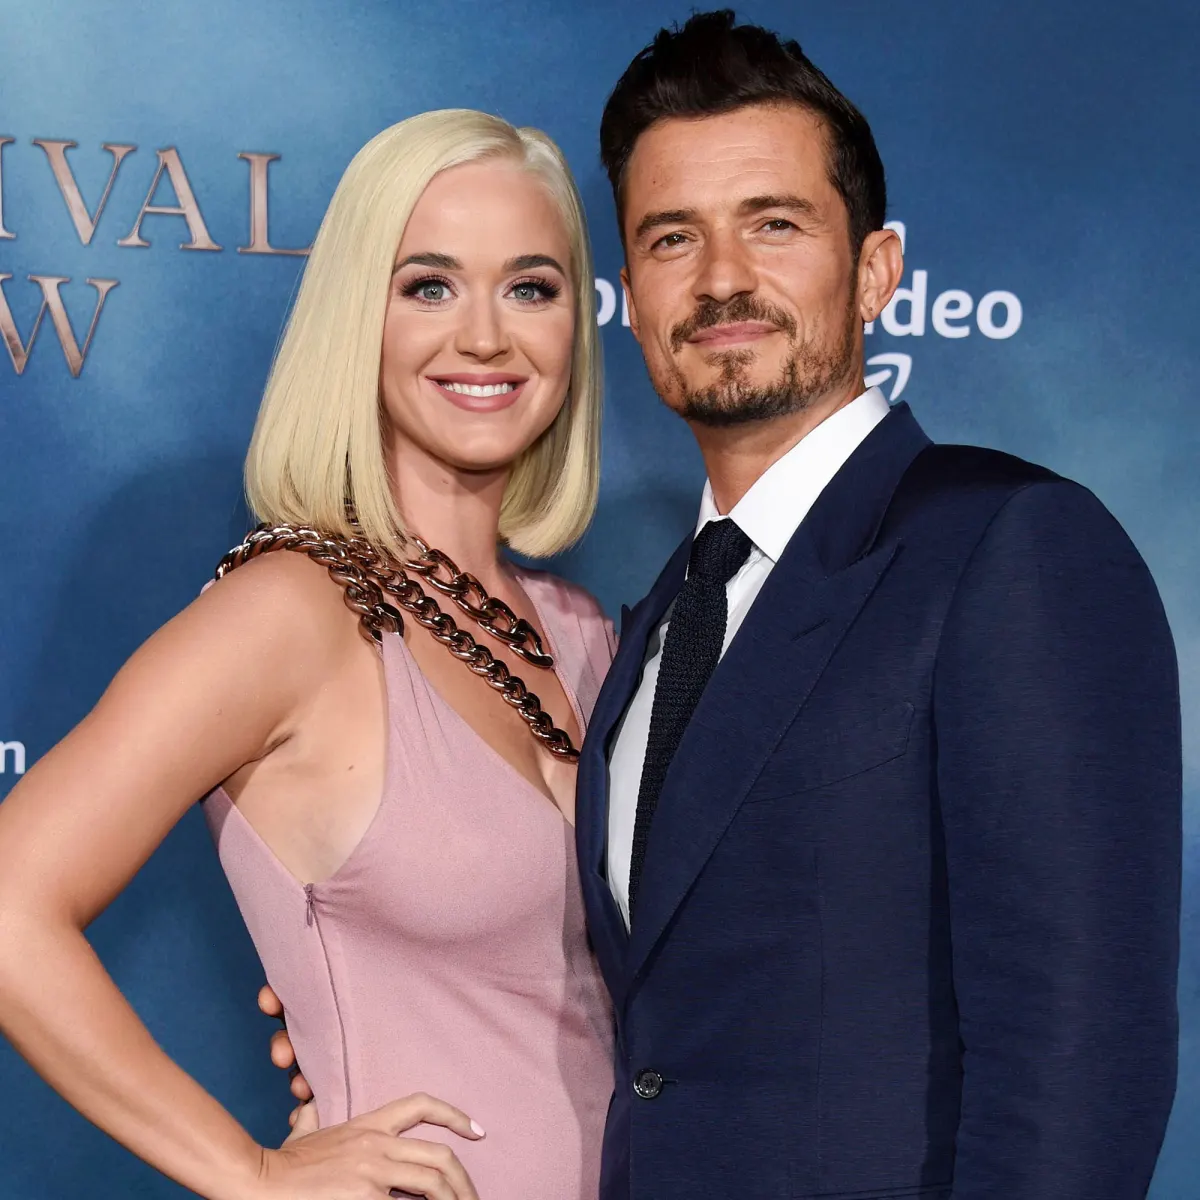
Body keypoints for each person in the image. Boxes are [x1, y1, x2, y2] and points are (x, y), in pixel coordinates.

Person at [275, 10, 1183, 1197]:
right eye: (672, 238)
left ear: (876, 271)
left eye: (774, 224)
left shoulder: (1009, 549)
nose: (721, 279)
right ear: (631, 300)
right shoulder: (653, 626)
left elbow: (1080, 1066)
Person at [0, 109, 617, 1200]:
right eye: (428, 286)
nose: (485, 337)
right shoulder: (289, 614)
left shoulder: (586, 634)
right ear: (355, 317)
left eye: (531, 287)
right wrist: (249, 1172)